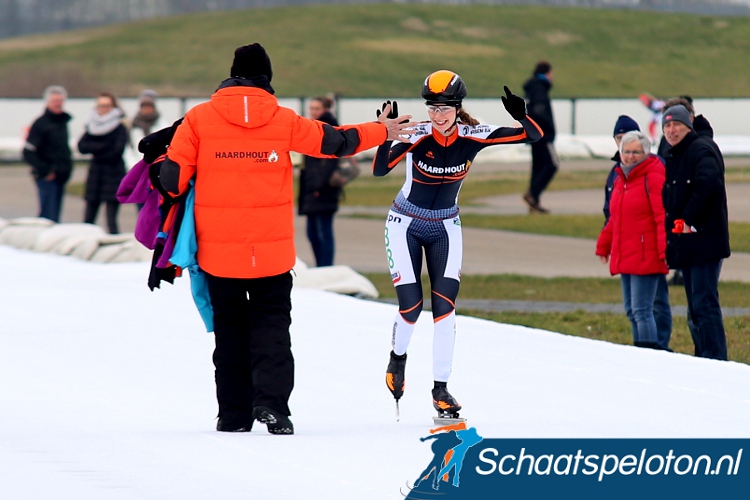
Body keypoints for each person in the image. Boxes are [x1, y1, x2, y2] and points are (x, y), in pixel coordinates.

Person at [159, 43, 414, 434]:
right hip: (272, 253)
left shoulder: (198, 120)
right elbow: (337, 142)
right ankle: (273, 407)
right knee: (273, 328)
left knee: (229, 332)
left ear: (230, 74)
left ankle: (233, 416)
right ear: (267, 80)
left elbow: (173, 183)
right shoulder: (284, 120)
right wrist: (383, 130)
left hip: (218, 252)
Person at [374, 70, 542, 418]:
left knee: (445, 309)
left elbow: (535, 136)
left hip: (446, 226)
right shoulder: (418, 134)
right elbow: (379, 170)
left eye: (445, 109)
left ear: (457, 108)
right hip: (405, 223)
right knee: (411, 306)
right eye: (432, 108)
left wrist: (521, 115)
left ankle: (440, 388)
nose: (437, 116)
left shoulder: (474, 135)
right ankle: (398, 359)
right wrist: (385, 134)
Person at [661, 104, 730, 361]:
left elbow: (709, 183)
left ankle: (715, 361)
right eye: (667, 126)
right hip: (687, 242)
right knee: (695, 306)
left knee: (704, 304)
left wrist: (687, 218)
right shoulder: (675, 154)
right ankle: (703, 358)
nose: (671, 130)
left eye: (676, 125)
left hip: (705, 241)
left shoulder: (700, 149)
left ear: (688, 125)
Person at [596, 131, 671, 350]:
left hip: (645, 254)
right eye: (626, 152)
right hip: (626, 253)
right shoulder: (622, 178)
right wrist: (604, 243)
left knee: (642, 311)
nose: (630, 157)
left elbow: (661, 216)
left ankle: (648, 353)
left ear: (646, 153)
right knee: (631, 310)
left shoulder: (653, 176)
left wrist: (663, 250)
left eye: (636, 152)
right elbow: (615, 217)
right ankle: (640, 351)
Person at [298, 95, 351, 267]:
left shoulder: (329, 129)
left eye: (316, 108)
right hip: (311, 189)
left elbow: (329, 162)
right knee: (312, 232)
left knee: (323, 232)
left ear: (325, 110)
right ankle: (321, 266)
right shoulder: (312, 128)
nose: (313, 112)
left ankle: (325, 267)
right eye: (311, 108)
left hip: (324, 190)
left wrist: (318, 185)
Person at [77, 92, 129, 234]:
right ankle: (85, 240)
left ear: (113, 107)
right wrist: (103, 146)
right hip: (96, 174)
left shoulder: (120, 127)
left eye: (107, 106)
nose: (103, 109)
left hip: (114, 174)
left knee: (111, 219)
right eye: (100, 106)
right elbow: (82, 146)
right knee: (89, 216)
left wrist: (95, 148)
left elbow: (117, 151)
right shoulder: (91, 126)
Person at [23, 85, 73, 223]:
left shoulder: (62, 122)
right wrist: (46, 170)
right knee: (47, 216)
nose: (58, 104)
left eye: (60, 101)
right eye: (55, 101)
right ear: (47, 102)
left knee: (55, 217)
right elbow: (27, 152)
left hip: (61, 176)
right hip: (47, 177)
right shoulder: (40, 124)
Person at [522, 61, 557, 214]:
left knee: (537, 167)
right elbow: (539, 110)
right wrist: (547, 128)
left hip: (533, 134)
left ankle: (534, 203)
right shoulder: (539, 88)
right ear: (547, 73)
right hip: (542, 135)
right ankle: (532, 194)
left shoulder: (531, 88)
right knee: (551, 165)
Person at [126, 89, 166, 170]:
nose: (146, 109)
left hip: (156, 167)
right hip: (136, 166)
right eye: (144, 107)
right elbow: (129, 148)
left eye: (149, 106)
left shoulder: (162, 125)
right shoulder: (133, 125)